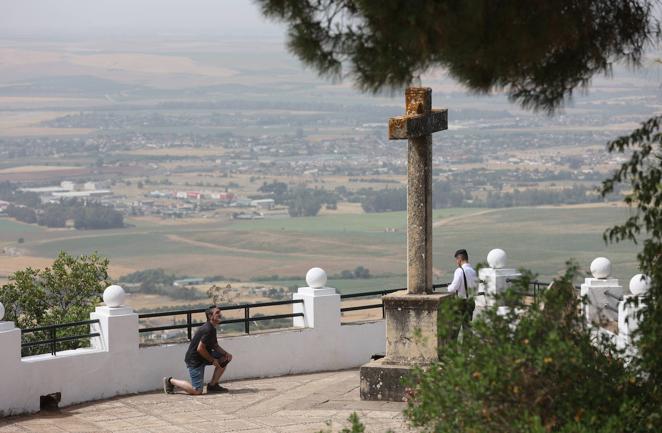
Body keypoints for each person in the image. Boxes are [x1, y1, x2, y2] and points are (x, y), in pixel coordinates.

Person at [163, 305, 233, 395]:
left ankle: (212, 385)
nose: (220, 314)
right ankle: (170, 381)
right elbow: (200, 349)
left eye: (220, 312)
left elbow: (215, 345)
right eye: (217, 313)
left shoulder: (212, 328)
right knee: (197, 391)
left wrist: (226, 354)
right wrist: (212, 360)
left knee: (225, 358)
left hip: (204, 356)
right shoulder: (208, 329)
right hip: (195, 360)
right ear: (210, 316)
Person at [447, 249, 478, 338]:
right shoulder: (473, 271)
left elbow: (453, 288)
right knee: (467, 328)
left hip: (461, 303)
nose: (456, 262)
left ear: (459, 260)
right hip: (471, 302)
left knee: (455, 330)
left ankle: (453, 350)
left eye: (456, 260)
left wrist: (448, 287)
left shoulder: (460, 271)